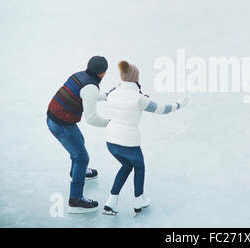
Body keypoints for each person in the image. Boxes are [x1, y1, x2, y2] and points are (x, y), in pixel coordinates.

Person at [102, 60, 190, 215]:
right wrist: (179, 104)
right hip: (128, 143)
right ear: (136, 78)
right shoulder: (139, 99)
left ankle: (111, 201)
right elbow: (163, 110)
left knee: (126, 166)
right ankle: (139, 200)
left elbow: (107, 94)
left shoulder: (113, 93)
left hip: (111, 141)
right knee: (139, 167)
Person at [46, 56, 110, 213]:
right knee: (82, 157)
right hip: (61, 124)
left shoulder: (79, 75)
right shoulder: (91, 87)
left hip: (54, 117)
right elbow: (91, 118)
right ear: (103, 73)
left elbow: (85, 96)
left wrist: (105, 96)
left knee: (79, 141)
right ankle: (75, 200)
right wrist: (111, 123)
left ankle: (75, 172)